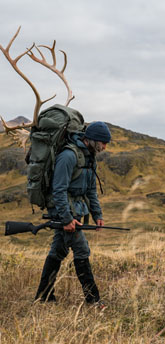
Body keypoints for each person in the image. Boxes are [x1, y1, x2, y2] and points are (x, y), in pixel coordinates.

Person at [34, 121, 111, 306]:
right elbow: (58, 190)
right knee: (82, 250)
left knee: (58, 250)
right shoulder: (68, 156)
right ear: (92, 140)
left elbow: (91, 190)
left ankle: (43, 297)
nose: (105, 147)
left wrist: (97, 215)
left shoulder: (90, 157)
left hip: (75, 210)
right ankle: (93, 301)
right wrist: (66, 218)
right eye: (103, 142)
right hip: (64, 210)